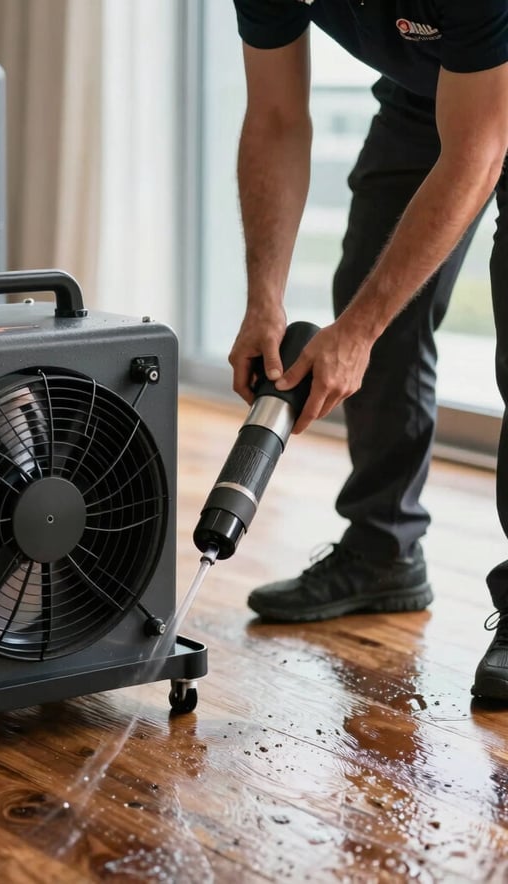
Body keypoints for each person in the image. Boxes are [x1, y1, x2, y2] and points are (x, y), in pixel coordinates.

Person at [230, 1, 508, 700]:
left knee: (367, 323)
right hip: (428, 94)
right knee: (368, 287)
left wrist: (356, 332)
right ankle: (383, 550)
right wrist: (264, 298)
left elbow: (479, 146)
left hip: (484, 96)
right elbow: (275, 118)